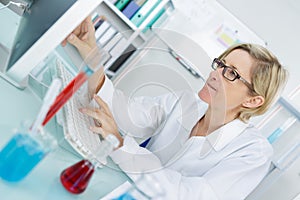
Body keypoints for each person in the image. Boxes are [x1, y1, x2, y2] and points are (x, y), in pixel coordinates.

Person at [62, 17, 288, 199]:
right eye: (220, 64)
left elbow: (192, 195)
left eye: (231, 73)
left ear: (253, 101)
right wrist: (93, 54)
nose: (214, 74)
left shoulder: (253, 152)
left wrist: (122, 145)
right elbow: (124, 114)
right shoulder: (186, 102)